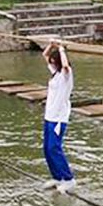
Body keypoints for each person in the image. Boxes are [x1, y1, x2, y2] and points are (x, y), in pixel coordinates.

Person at [41, 38, 76, 193]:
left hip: (58, 118)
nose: (52, 64)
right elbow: (44, 55)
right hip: (49, 116)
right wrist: (51, 44)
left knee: (55, 148)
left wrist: (61, 49)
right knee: (47, 149)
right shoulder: (55, 74)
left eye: (54, 62)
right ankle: (57, 177)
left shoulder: (66, 75)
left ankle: (69, 179)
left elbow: (66, 65)